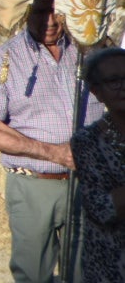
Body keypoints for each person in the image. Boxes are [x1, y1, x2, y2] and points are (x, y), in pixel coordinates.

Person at [0, 0, 99, 283]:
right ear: (25, 12)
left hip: (89, 183)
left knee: (89, 274)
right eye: (41, 11)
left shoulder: (91, 53)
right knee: (33, 275)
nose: (50, 20)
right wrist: (54, 153)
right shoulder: (5, 59)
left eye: (56, 11)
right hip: (33, 184)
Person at [72, 46, 125, 283]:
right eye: (114, 81)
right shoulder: (87, 141)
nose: (123, 86)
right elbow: (103, 208)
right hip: (108, 264)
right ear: (96, 91)